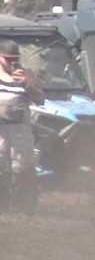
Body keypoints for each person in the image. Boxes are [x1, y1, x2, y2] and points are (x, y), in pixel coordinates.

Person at [0, 40, 45, 212]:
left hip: (20, 128)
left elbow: (40, 99)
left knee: (23, 167)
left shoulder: (26, 76)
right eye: (7, 59)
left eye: (14, 59)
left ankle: (24, 206)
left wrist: (28, 83)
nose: (12, 63)